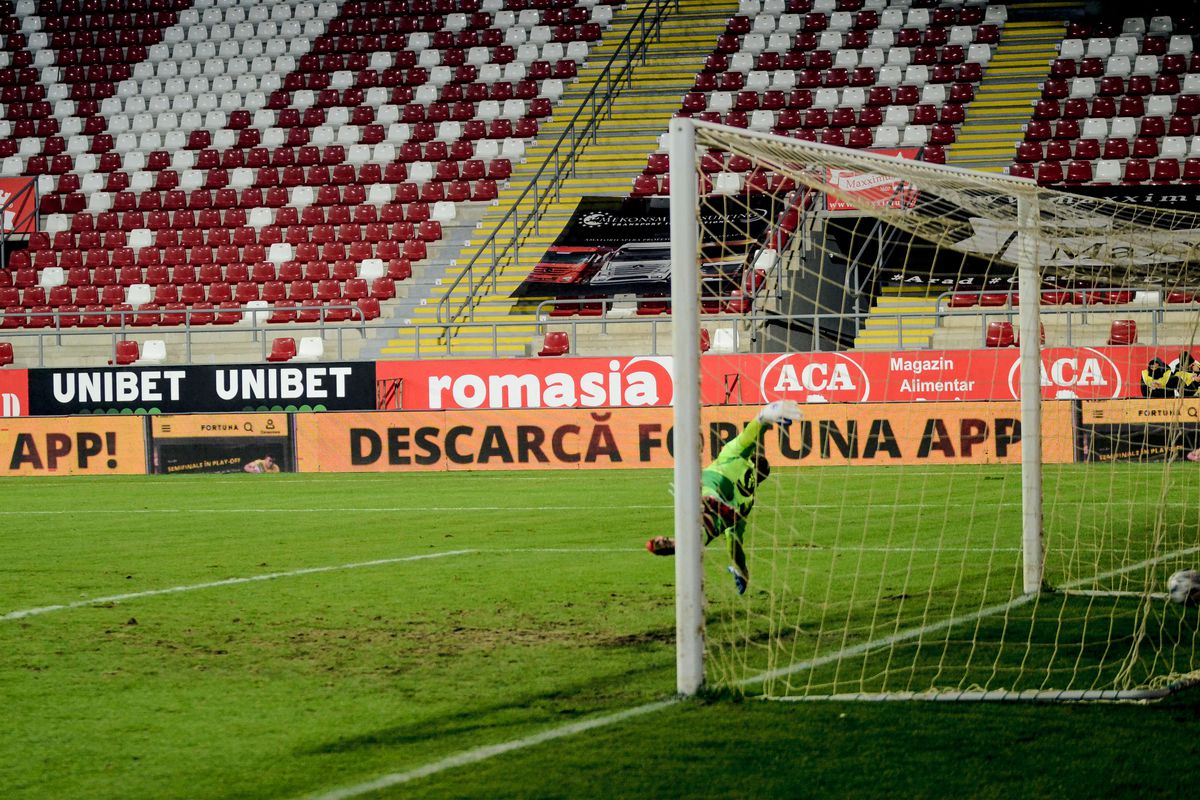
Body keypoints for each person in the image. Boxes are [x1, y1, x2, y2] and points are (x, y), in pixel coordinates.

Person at [645, 400, 802, 595]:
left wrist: (764, 417)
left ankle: (685, 536)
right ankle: (695, 532)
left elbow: (749, 436)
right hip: (726, 506)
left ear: (752, 460)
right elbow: (734, 542)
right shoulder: (748, 501)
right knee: (717, 522)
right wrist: (742, 570)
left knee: (707, 496)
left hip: (712, 483)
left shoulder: (735, 454)